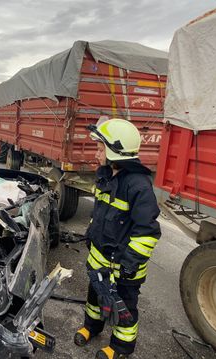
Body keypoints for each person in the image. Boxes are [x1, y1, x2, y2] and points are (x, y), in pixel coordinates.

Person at [73, 119, 161, 359]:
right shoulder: (105, 176)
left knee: (125, 311)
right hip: (100, 262)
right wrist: (91, 234)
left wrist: (129, 265)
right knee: (94, 297)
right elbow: (100, 213)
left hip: (124, 268)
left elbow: (147, 232)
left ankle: (121, 348)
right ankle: (92, 327)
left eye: (101, 148)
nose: (96, 152)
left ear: (115, 152)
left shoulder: (139, 186)